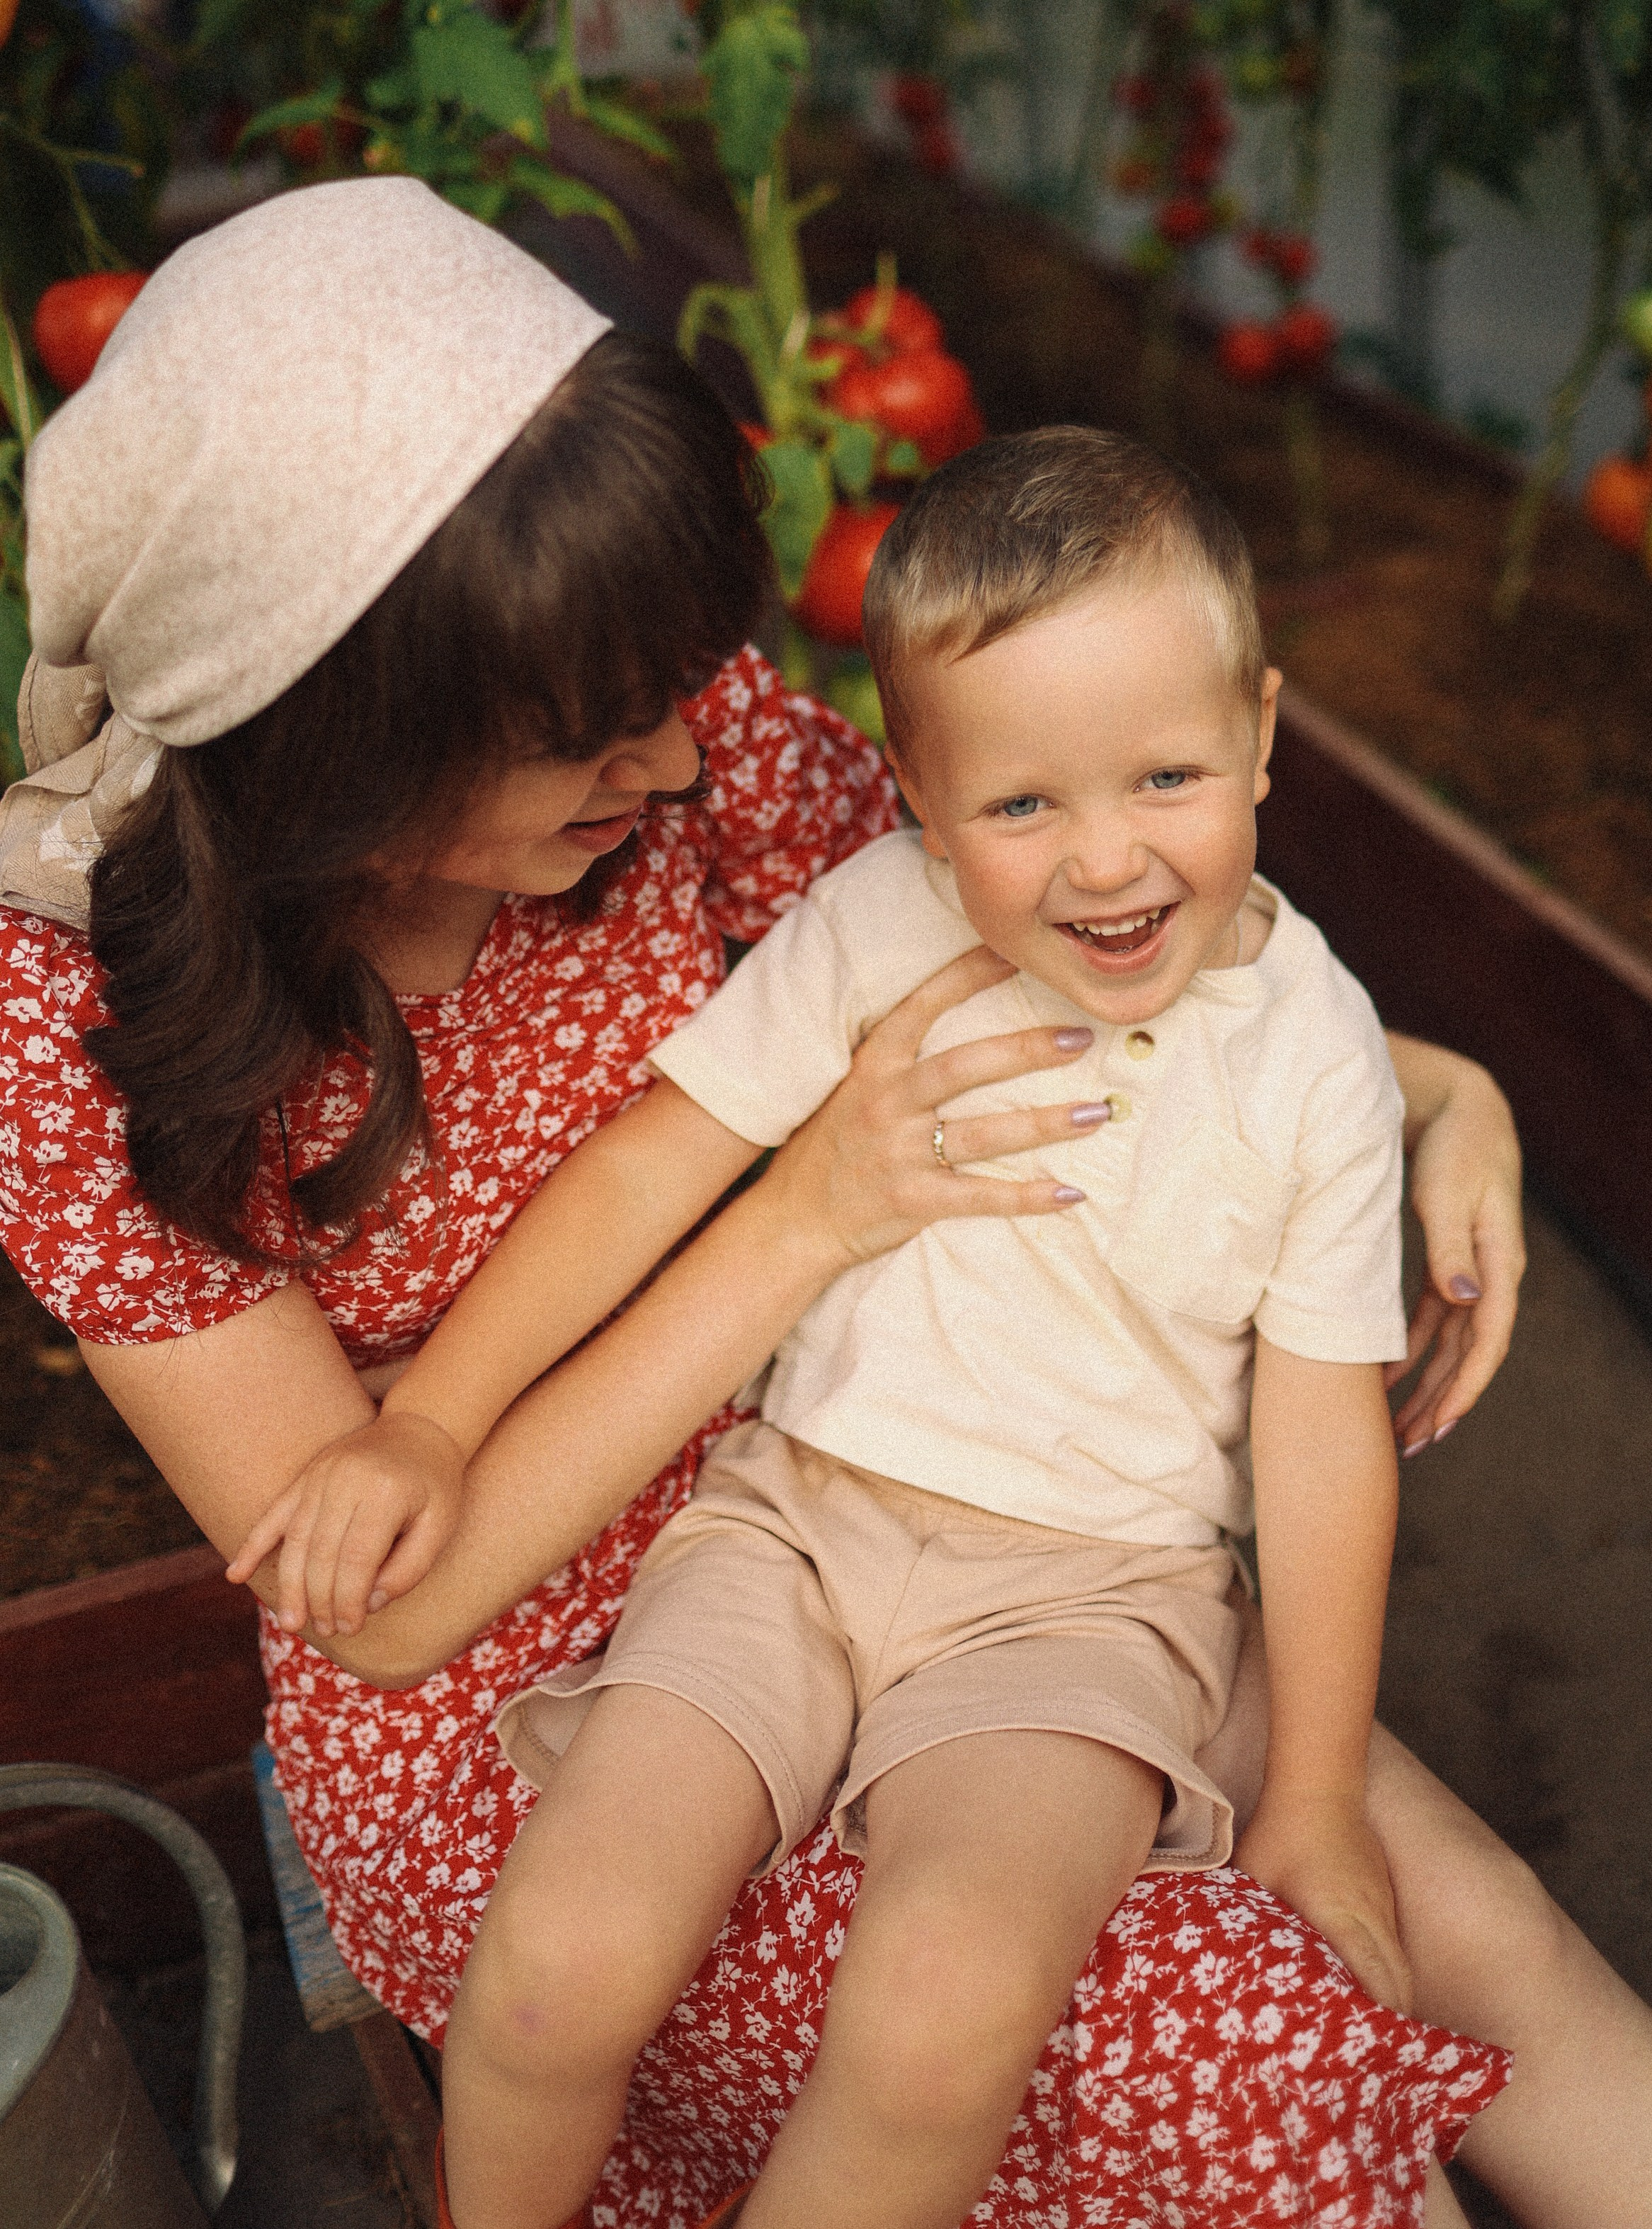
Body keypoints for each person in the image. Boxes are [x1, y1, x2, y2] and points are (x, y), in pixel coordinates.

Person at [0, 181, 1644, 2229]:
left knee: (1456, 1909)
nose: (682, 759)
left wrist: (1431, 1087)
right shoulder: (69, 1022)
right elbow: (396, 1605)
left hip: (938, 1452)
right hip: (509, 1672)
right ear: (349, 747)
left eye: (677, 685)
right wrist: (804, 1219)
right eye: (590, 735)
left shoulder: (691, 750)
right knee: (1232, 2037)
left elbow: (1047, 933)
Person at [266, 424, 1503, 2229]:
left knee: (939, 2017)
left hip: (1083, 1603)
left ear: (1260, 732)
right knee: (554, 1957)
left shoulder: (1317, 1058)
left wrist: (1312, 1799)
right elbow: (651, 1163)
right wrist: (431, 1424)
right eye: (1021, 806)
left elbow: (1323, 1441)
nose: (1103, 860)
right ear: (915, 793)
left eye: (1165, 776)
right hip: (791, 1524)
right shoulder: (878, 923)